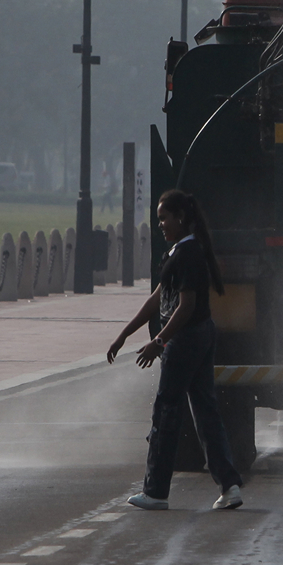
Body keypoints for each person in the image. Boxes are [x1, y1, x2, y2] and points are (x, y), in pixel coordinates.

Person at [109, 189, 244, 512]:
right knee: (205, 412)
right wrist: (124, 334)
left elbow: (185, 307)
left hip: (186, 339)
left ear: (181, 218)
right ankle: (229, 486)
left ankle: (156, 491)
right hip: (197, 336)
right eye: (159, 220)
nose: (161, 225)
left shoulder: (187, 255)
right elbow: (156, 300)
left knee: (167, 411)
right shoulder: (178, 253)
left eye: (164, 218)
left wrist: (159, 342)